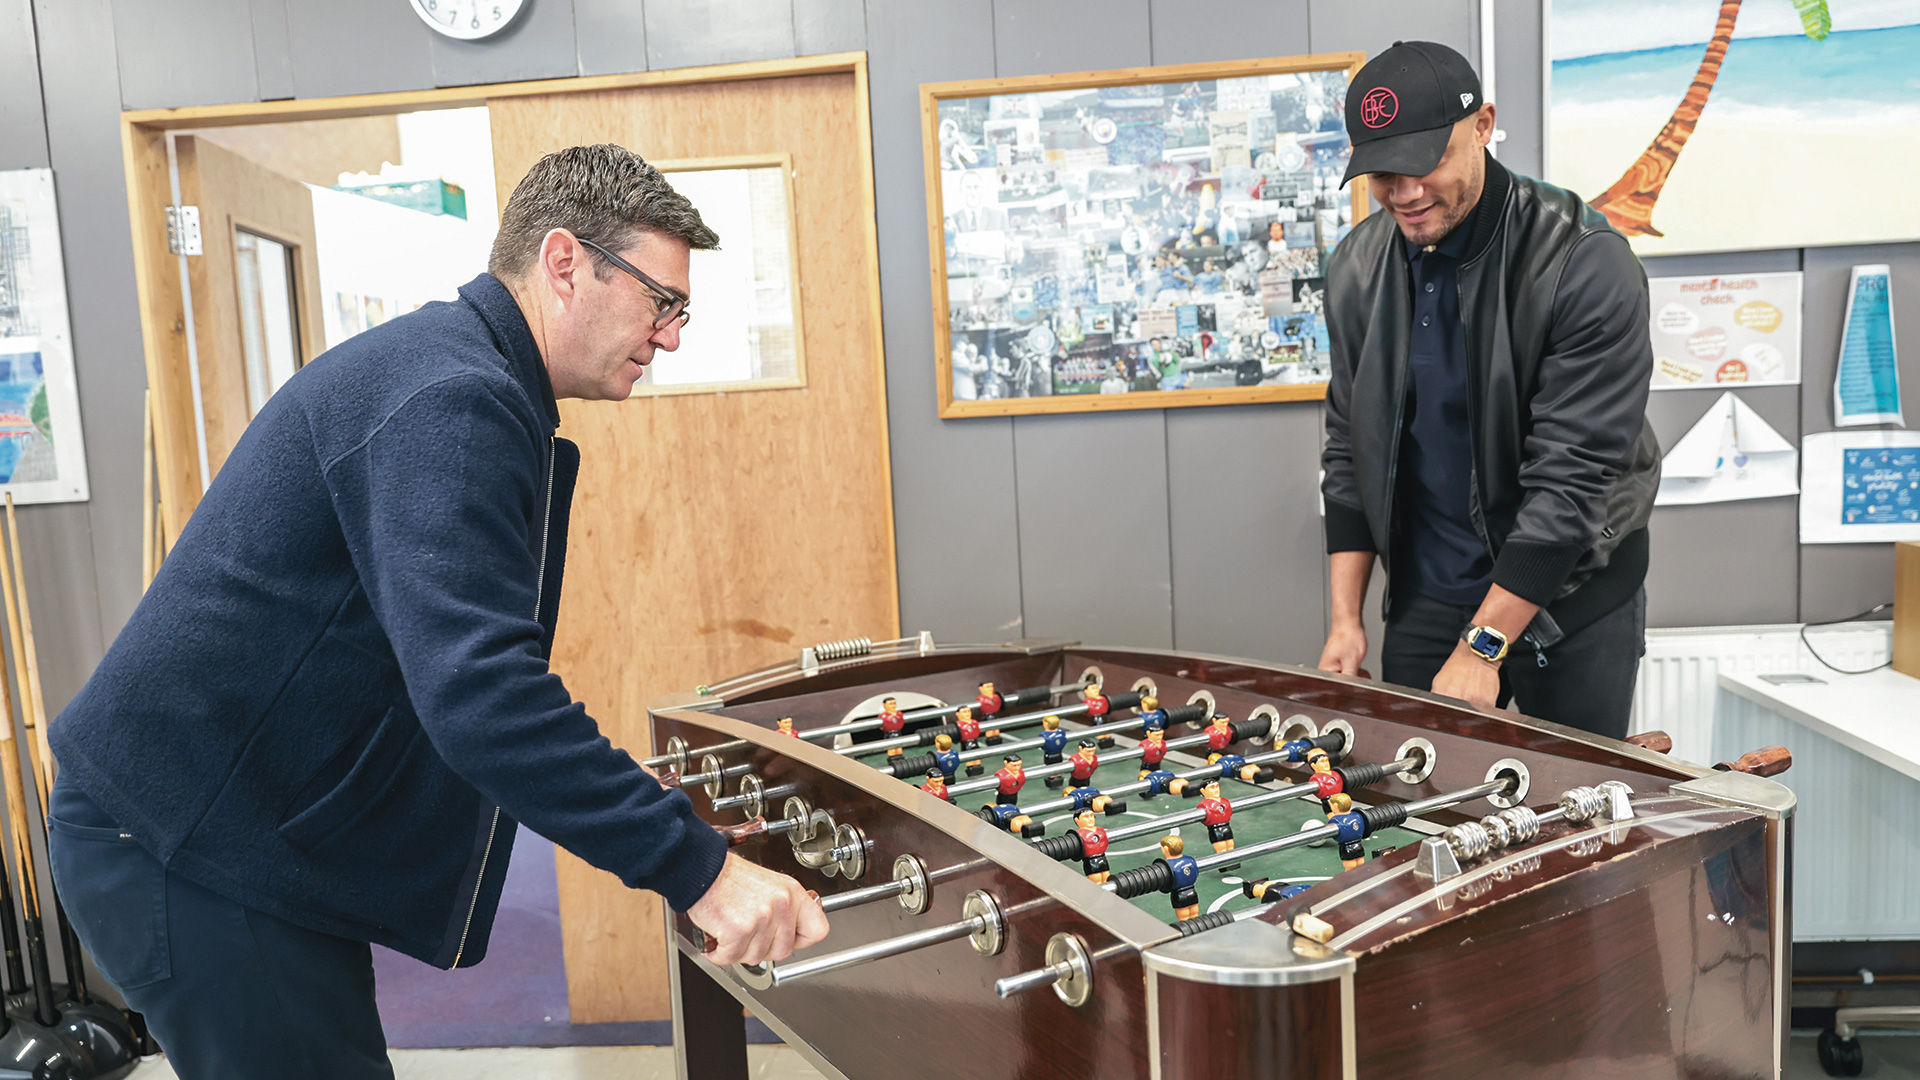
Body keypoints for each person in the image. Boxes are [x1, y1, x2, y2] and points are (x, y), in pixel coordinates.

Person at [45, 145, 829, 1080]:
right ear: (565, 262)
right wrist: (697, 865)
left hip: (239, 835)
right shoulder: (452, 399)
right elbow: (484, 697)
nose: (669, 336)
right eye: (662, 302)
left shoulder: (462, 377)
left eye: (680, 310)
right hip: (190, 846)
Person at [1317, 43, 1658, 740]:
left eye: (1425, 162)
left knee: (1576, 824)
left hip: (1572, 594)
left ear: (1483, 126)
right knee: (1420, 817)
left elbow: (1572, 483)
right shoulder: (1355, 269)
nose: (1405, 192)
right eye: (1383, 172)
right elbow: (1349, 447)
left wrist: (1483, 646)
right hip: (1429, 597)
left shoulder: (1582, 261)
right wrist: (1346, 620)